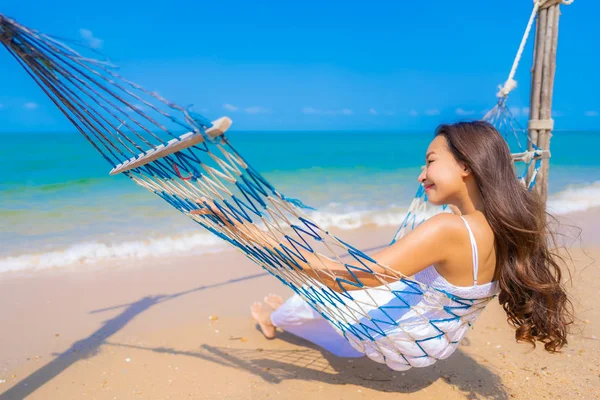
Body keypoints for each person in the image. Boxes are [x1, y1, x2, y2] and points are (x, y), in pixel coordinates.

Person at [194, 121, 573, 361]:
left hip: (400, 339)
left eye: (430, 161)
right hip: (434, 338)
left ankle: (270, 317)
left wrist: (241, 230)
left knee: (317, 293)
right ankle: (286, 311)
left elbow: (350, 276)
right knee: (329, 295)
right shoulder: (505, 226)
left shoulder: (448, 229)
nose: (421, 174)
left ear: (466, 165)